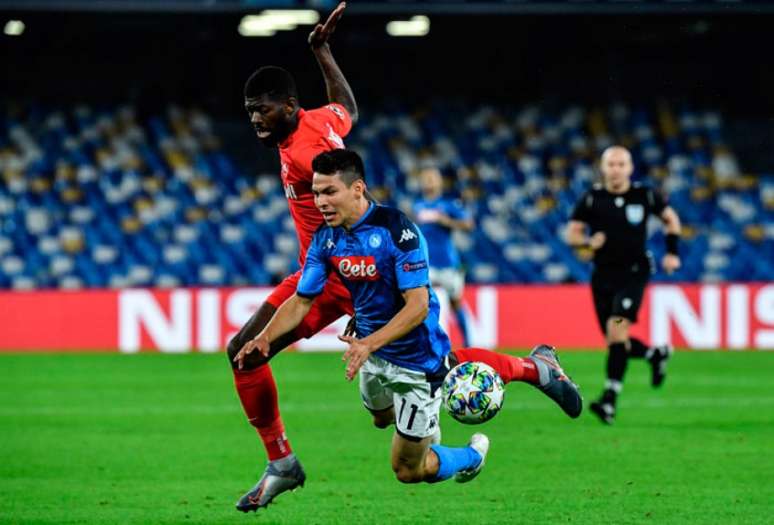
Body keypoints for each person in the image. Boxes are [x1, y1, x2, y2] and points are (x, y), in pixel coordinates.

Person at [234, 150, 582, 490]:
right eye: (315, 194)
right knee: (380, 418)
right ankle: (430, 424)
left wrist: (369, 342)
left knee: (408, 470)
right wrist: (266, 336)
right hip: (371, 353)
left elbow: (416, 307)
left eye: (329, 192)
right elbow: (302, 300)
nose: (320, 202)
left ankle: (472, 453)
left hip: (417, 362)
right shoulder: (326, 239)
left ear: (357, 189)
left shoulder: (398, 230)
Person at [229, 2, 360, 512]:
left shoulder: (310, 158)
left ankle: (533, 369)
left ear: (288, 104)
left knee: (433, 372)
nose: (257, 121)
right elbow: (347, 106)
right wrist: (323, 51)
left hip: (355, 276)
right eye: (250, 113)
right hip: (319, 277)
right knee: (245, 350)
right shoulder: (317, 122)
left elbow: (354, 211)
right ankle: (281, 462)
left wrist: (366, 303)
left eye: (263, 110)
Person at [566, 146, 682, 425]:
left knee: (617, 330)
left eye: (621, 164)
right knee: (615, 340)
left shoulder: (644, 195)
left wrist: (672, 252)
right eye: (611, 164)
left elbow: (671, 220)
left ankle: (609, 399)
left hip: (634, 273)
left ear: (630, 168)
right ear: (603, 168)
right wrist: (586, 243)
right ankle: (655, 354)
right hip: (602, 275)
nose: (616, 169)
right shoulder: (593, 198)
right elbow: (572, 233)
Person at [413, 167, 474, 346]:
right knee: (421, 303)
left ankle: (468, 344)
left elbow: (468, 225)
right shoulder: (417, 205)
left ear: (439, 182)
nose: (429, 181)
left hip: (448, 263)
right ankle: (425, 344)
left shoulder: (448, 205)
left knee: (455, 304)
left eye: (432, 178)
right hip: (426, 264)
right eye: (426, 178)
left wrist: (446, 221)